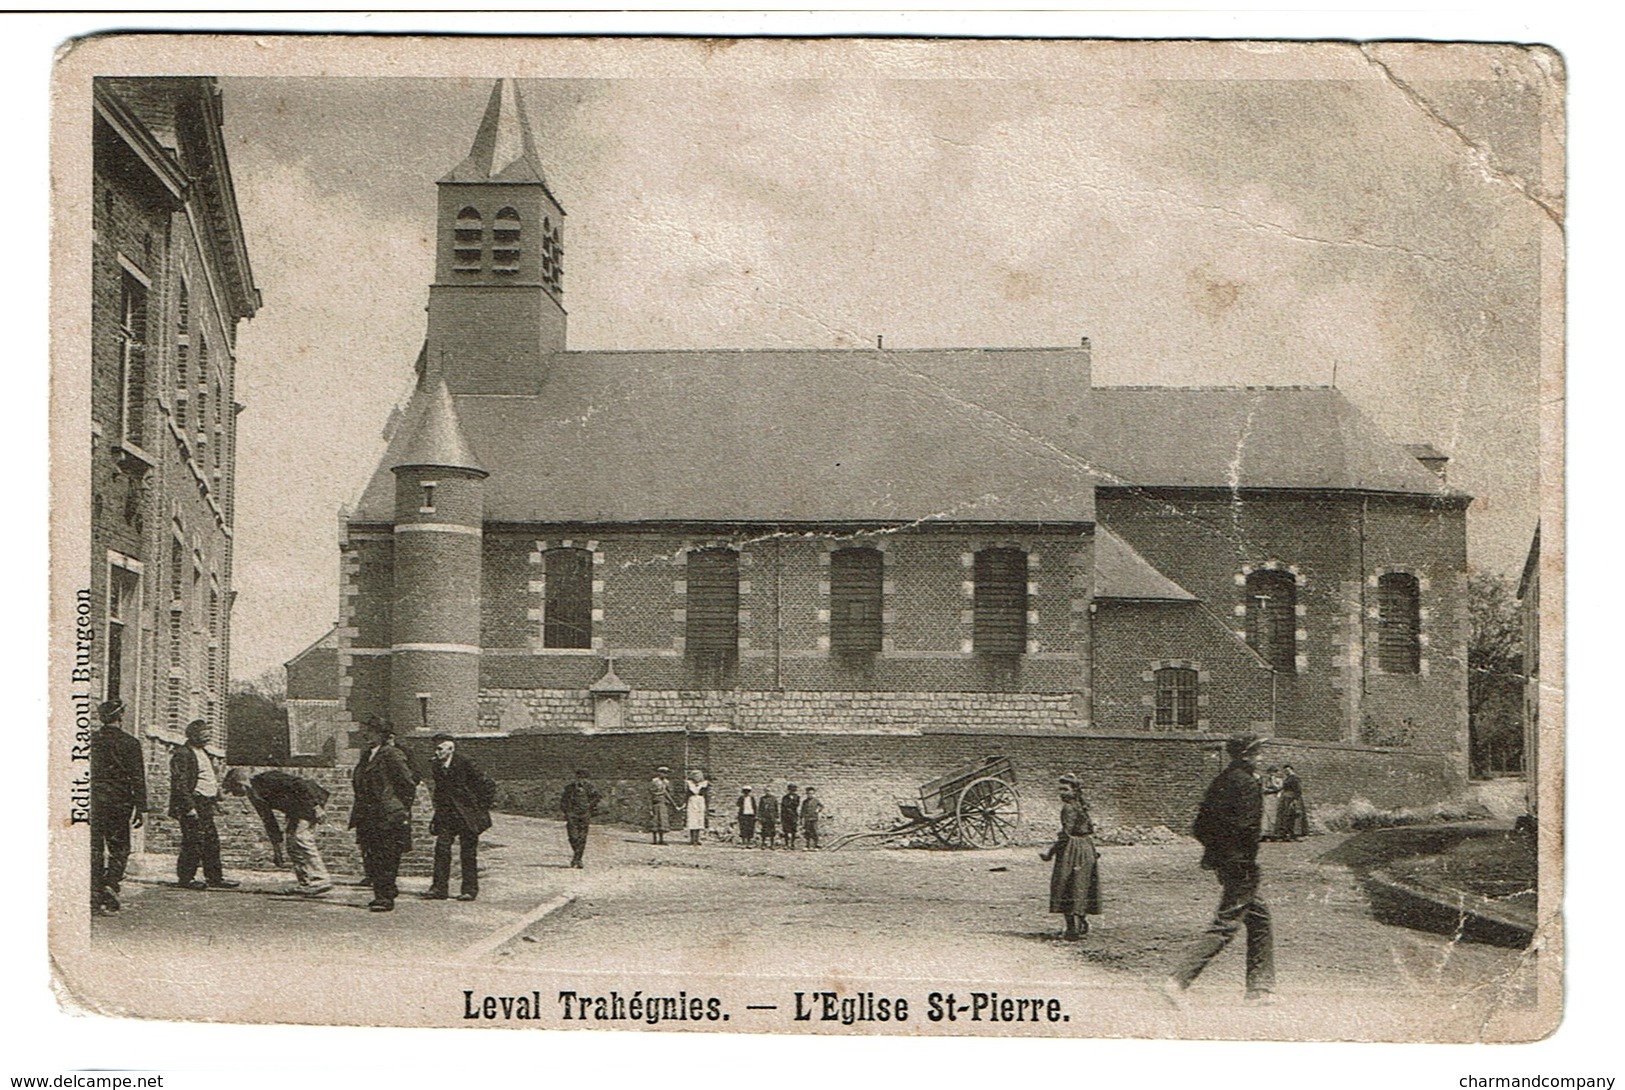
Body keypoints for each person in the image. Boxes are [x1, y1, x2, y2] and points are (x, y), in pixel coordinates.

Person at [1161, 734, 1275, 1007]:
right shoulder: (1247, 783)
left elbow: (1200, 826)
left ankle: (1259, 990)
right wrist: (1240, 859)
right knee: (1226, 924)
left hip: (1225, 862)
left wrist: (1218, 854)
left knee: (1260, 917)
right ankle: (1178, 981)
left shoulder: (1221, 780)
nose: (1262, 757)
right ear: (1246, 755)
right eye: (1258, 752)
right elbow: (1246, 828)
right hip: (1241, 864)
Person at [222, 767, 333, 895]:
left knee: (301, 838)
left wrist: (316, 807)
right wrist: (277, 850)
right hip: (296, 809)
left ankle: (321, 880)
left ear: (240, 784)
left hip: (310, 801)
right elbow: (269, 821)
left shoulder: (268, 778)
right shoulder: (254, 796)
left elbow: (301, 784)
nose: (233, 794)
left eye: (233, 789)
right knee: (292, 845)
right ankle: (306, 883)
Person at [349, 717, 417, 912]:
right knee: (373, 855)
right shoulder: (367, 755)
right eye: (366, 730)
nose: (366, 735)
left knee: (386, 855)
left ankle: (385, 897)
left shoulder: (392, 754)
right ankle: (385, 890)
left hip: (387, 814)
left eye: (371, 731)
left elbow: (408, 783)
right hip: (368, 814)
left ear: (382, 734)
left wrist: (398, 807)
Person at [90, 699, 147, 915]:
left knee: (95, 847)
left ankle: (95, 891)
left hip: (94, 800)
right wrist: (141, 807)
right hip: (120, 801)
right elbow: (137, 777)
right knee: (120, 847)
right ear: (120, 716)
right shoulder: (130, 743)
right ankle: (111, 884)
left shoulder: (92, 740)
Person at [168, 719, 238, 890]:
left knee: (211, 841)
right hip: (193, 803)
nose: (207, 736)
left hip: (205, 803)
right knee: (193, 841)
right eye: (203, 733)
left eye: (208, 733)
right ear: (192, 735)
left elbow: (207, 778)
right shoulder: (183, 753)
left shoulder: (203, 752)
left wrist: (215, 800)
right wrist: (189, 807)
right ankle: (186, 878)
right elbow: (180, 783)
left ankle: (215, 878)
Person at [424, 734, 496, 901]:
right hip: (447, 815)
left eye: (440, 748)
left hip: (466, 816)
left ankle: (469, 890)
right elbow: (440, 792)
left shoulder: (465, 762)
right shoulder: (436, 765)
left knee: (468, 853)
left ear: (451, 749)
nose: (437, 752)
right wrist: (437, 816)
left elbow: (487, 784)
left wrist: (478, 809)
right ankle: (439, 888)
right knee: (441, 849)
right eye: (435, 748)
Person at [1039, 775, 1101, 939]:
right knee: (1081, 885)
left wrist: (1050, 853)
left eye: (1065, 789)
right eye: (1060, 789)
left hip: (1072, 849)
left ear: (1074, 790)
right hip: (1086, 847)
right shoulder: (1081, 806)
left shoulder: (1068, 808)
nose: (1061, 793)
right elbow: (1090, 830)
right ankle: (1081, 923)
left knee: (1065, 885)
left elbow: (1065, 834)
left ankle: (1072, 929)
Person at [560, 769, 601, 868]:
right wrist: (566, 811)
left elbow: (597, 797)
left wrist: (589, 805)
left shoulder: (589, 788)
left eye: (583, 778)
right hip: (572, 814)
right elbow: (563, 800)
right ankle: (577, 857)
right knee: (573, 837)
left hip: (584, 814)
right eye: (579, 777)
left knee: (582, 837)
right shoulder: (569, 788)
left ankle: (577, 859)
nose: (581, 780)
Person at [1273, 765, 1309, 842]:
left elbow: (1298, 790)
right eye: (1285, 771)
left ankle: (1295, 834)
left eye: (1288, 770)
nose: (1286, 772)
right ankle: (1286, 834)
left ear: (1292, 770)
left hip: (1292, 798)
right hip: (1286, 798)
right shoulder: (1287, 778)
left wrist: (1295, 800)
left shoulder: (1295, 778)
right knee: (1285, 816)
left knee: (1294, 815)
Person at [649, 766, 675, 845]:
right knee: (655, 820)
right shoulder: (654, 781)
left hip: (663, 803)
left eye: (666, 773)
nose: (664, 775)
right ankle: (654, 839)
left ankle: (661, 839)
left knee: (662, 821)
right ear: (659, 773)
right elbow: (650, 793)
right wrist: (650, 807)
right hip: (656, 802)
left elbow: (669, 793)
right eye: (662, 773)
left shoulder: (667, 782)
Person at [685, 769, 710, 846]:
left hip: (700, 802)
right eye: (695, 776)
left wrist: (707, 805)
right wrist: (684, 804)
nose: (697, 778)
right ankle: (692, 839)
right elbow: (687, 795)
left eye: (699, 776)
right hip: (692, 802)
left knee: (699, 819)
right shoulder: (689, 784)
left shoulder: (704, 784)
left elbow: (706, 795)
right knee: (692, 819)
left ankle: (697, 838)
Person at [1260, 766, 1283, 841]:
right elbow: (1263, 789)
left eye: (1273, 773)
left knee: (1274, 815)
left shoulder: (1278, 780)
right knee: (1266, 815)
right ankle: (1265, 834)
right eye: (1270, 773)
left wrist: (1273, 783)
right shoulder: (1265, 780)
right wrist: (1271, 790)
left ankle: (1273, 833)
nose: (1271, 774)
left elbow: (1279, 788)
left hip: (1275, 798)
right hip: (1267, 798)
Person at [757, 786, 780, 851]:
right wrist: (760, 816)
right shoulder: (762, 799)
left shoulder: (774, 799)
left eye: (769, 791)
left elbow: (776, 809)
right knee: (764, 830)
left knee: (772, 831)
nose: (768, 792)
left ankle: (772, 844)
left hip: (772, 817)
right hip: (765, 817)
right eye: (766, 791)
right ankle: (763, 843)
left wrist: (777, 817)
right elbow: (760, 808)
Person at [780, 784, 801, 850]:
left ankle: (792, 844)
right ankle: (786, 844)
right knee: (786, 830)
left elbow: (796, 805)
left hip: (793, 815)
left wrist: (791, 801)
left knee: (793, 830)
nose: (792, 792)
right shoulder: (785, 797)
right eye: (791, 790)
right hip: (786, 816)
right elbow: (784, 806)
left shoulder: (797, 797)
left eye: (793, 790)